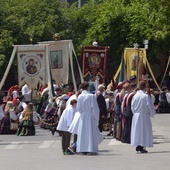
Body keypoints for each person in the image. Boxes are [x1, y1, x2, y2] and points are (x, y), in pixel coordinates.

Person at [75, 81, 103, 155]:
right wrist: (96, 117)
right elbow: (95, 108)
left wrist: (83, 113)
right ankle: (90, 148)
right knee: (90, 132)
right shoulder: (91, 96)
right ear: (88, 87)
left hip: (83, 115)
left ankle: (83, 148)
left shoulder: (80, 96)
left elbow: (78, 108)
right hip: (90, 115)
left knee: (83, 132)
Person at [131, 81, 155, 153]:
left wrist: (135, 113)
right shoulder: (145, 96)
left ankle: (138, 146)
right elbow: (150, 106)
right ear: (145, 87)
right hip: (144, 116)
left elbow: (132, 107)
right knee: (143, 131)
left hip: (136, 115)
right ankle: (141, 146)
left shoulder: (135, 96)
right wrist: (152, 114)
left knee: (137, 131)